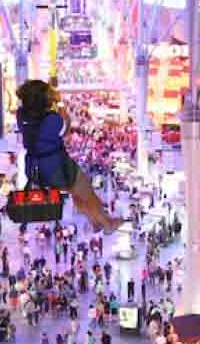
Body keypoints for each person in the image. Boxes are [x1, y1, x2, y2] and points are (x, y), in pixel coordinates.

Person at [15, 80, 123, 233]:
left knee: (76, 193)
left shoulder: (21, 116)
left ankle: (95, 222)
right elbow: (65, 130)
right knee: (86, 190)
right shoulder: (52, 119)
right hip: (55, 166)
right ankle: (106, 223)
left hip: (34, 167)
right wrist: (60, 107)